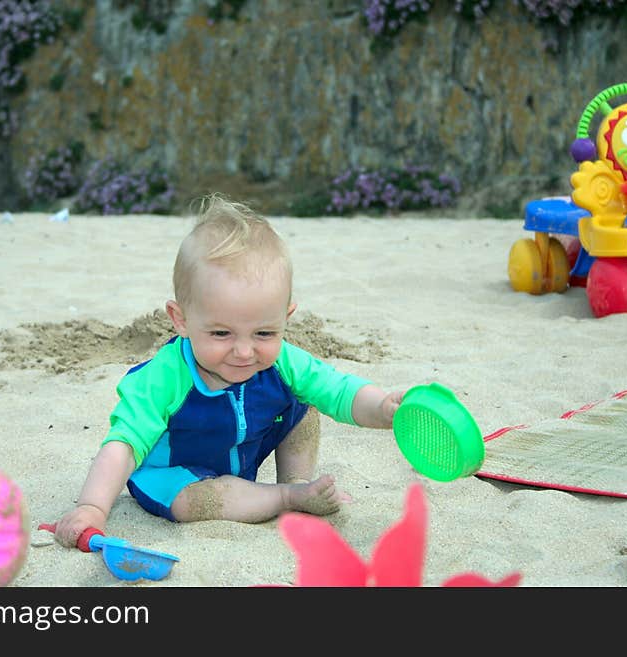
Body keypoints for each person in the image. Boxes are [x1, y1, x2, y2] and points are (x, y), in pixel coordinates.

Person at [53, 194, 406, 547]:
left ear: (286, 317)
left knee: (303, 407)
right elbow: (123, 446)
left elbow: (340, 391)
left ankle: (296, 481)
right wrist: (91, 508)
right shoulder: (163, 378)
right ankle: (286, 497)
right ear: (182, 320)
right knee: (193, 502)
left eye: (264, 333)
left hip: (242, 458)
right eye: (221, 333)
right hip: (176, 475)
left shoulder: (283, 360)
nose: (243, 352)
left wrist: (382, 408)